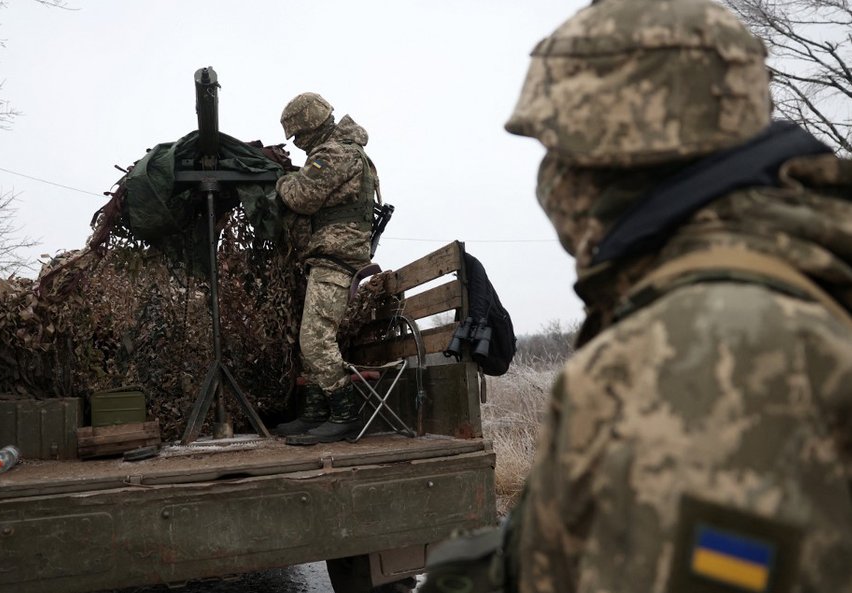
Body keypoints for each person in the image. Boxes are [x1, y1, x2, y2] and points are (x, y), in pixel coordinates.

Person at [419, 0, 852, 591]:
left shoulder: (705, 349)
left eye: (558, 148)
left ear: (615, 147)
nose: (549, 179)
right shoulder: (798, 277)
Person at [272, 92, 378, 445]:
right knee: (310, 341)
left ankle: (345, 414)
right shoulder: (341, 150)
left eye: (298, 135)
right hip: (329, 257)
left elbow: (301, 196)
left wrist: (282, 181)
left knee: (315, 339)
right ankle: (316, 414)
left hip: (337, 257)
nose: (298, 143)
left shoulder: (335, 152)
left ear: (310, 126)